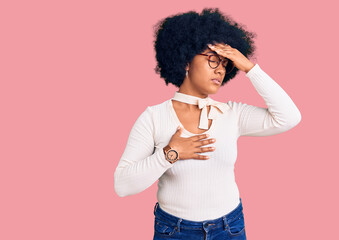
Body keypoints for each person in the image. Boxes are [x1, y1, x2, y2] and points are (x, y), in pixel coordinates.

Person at [114, 8, 301, 240]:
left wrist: (249, 68)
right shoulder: (153, 117)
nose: (220, 69)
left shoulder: (232, 113)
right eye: (213, 59)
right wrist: (170, 154)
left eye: (226, 63)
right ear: (186, 61)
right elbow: (122, 185)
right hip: (175, 231)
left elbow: (289, 117)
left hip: (230, 227)